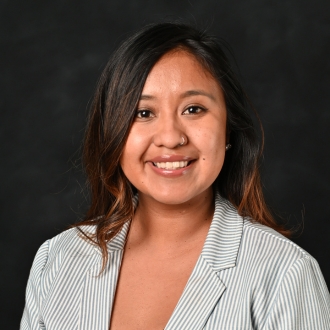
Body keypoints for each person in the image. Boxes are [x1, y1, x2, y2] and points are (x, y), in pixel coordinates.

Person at [21, 22, 330, 330]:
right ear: (113, 132)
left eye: (194, 109)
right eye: (143, 113)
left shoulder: (286, 273)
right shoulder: (57, 260)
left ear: (228, 129)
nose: (170, 138)